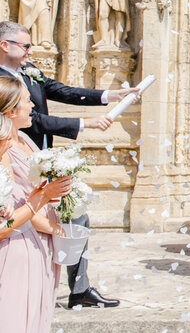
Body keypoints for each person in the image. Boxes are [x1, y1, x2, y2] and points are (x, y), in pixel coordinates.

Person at [0, 20, 137, 309]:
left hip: (35, 157)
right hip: (13, 161)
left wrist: (108, 96)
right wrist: (84, 124)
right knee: (34, 222)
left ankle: (76, 287)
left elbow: (58, 90)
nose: (30, 51)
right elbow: (34, 119)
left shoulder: (27, 71)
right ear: (5, 45)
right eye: (25, 45)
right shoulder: (3, 85)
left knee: (75, 217)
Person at [0, 78, 74, 331]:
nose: (33, 105)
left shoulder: (25, 139)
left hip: (38, 242)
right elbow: (11, 213)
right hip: (16, 246)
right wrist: (45, 208)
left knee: (34, 318)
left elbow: (34, 192)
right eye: (27, 101)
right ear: (10, 111)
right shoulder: (3, 154)